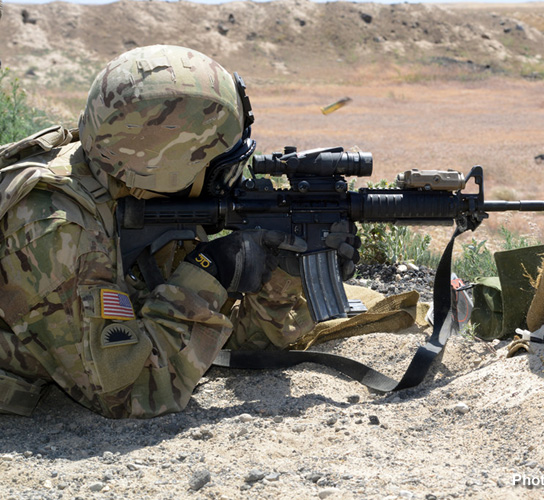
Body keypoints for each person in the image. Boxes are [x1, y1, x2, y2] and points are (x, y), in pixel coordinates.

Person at [0, 45, 355, 418]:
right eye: (224, 170)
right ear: (171, 168)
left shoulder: (136, 187)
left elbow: (212, 342)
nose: (232, 183)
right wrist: (210, 269)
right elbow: (127, 390)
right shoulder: (54, 227)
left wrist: (283, 275)